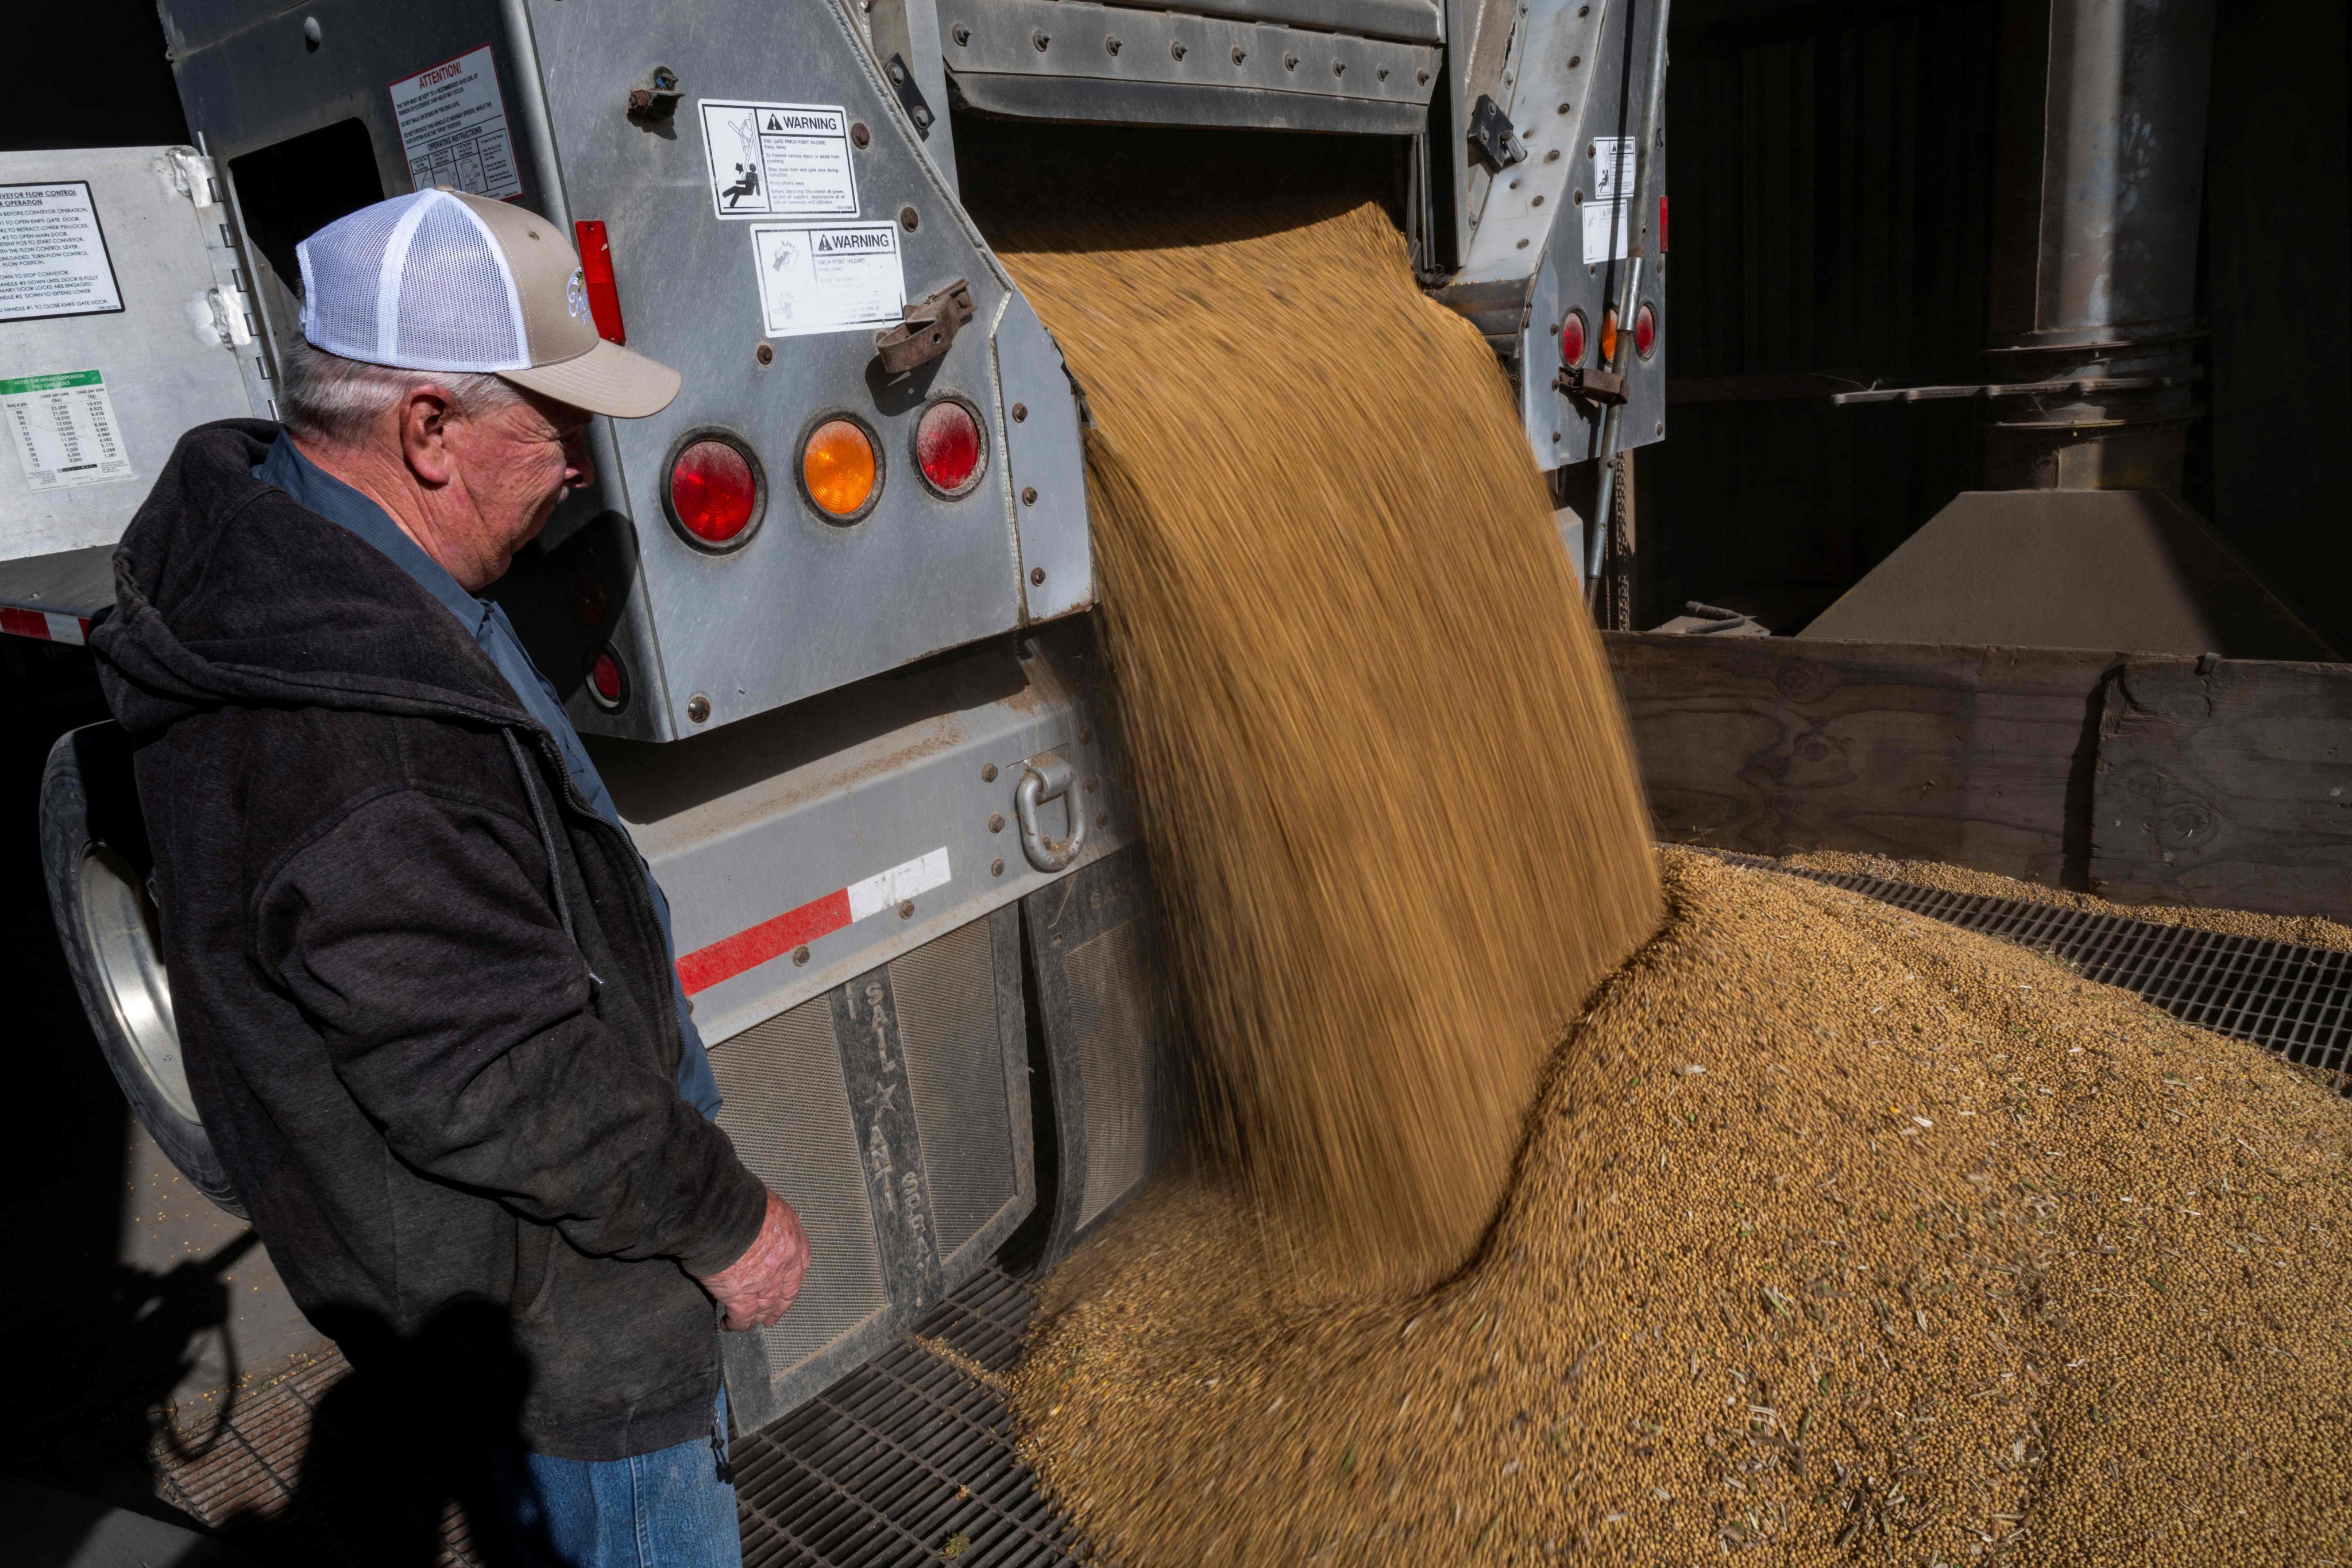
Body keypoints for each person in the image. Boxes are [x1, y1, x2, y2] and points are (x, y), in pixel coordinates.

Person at [88, 188, 807, 1567]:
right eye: (556, 429)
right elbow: (499, 1070)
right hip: (562, 1314)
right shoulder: (358, 751)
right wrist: (725, 1223)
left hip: (468, 1275)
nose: (582, 471)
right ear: (426, 429)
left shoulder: (319, 557)